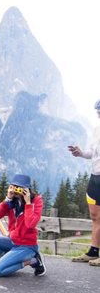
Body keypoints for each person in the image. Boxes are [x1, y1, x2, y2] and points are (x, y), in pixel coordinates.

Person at [0, 174, 46, 277]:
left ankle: (33, 260)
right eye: (15, 187)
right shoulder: (12, 201)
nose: (17, 191)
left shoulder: (36, 201)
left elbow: (30, 224)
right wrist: (8, 198)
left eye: (20, 188)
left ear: (27, 189)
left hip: (27, 245)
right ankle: (8, 257)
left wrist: (28, 203)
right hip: (12, 240)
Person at [68, 99, 100, 267]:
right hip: (95, 178)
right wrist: (81, 153)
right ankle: (93, 252)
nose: (98, 113)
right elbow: (93, 153)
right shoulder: (96, 130)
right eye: (98, 111)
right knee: (95, 217)